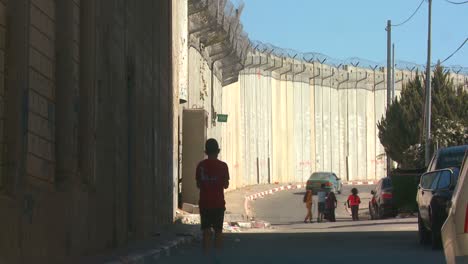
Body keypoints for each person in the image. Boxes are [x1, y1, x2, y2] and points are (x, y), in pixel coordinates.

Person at [196, 138, 230, 255]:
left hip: (205, 204)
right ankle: (218, 257)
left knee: (206, 231)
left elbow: (198, 185)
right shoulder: (223, 166)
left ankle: (206, 257)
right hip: (218, 204)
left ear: (206, 151)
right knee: (218, 231)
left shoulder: (200, 166)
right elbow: (226, 185)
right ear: (218, 151)